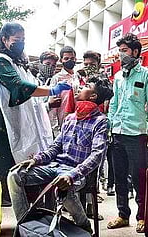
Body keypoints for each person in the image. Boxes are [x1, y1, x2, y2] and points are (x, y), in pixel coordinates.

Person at [0, 22, 72, 204]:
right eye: (17, 40)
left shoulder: (16, 62)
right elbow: (19, 86)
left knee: (9, 152)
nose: (21, 43)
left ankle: (9, 193)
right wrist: (52, 90)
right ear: (4, 39)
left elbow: (28, 85)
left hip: (8, 112)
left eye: (23, 39)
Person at [7, 76, 113, 234]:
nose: (79, 87)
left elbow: (97, 155)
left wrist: (72, 175)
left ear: (93, 96)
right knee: (14, 175)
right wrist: (36, 160)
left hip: (76, 173)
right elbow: (56, 147)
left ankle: (84, 227)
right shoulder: (70, 118)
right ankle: (26, 225)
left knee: (62, 187)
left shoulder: (101, 122)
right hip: (54, 167)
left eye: (86, 86)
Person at [106, 33, 148, 233]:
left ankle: (142, 216)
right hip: (118, 132)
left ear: (135, 52)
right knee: (120, 177)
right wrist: (109, 127)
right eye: (119, 51)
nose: (121, 54)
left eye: (125, 50)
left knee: (139, 177)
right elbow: (114, 104)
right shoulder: (118, 76)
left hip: (138, 134)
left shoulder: (147, 75)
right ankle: (122, 214)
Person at [49, 46, 79, 137]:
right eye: (66, 58)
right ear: (61, 60)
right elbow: (53, 107)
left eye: (72, 58)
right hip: (62, 123)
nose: (70, 61)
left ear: (76, 59)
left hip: (78, 121)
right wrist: (56, 130)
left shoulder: (78, 77)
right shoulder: (57, 78)